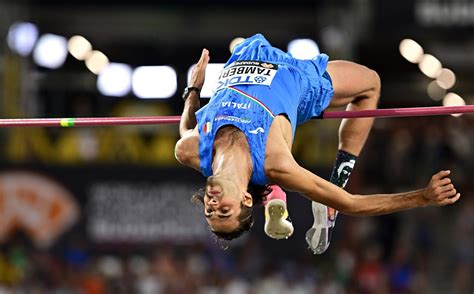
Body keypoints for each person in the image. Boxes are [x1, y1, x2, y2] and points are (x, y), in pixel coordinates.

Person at [174, 34, 460, 252]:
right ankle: (336, 180)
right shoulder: (275, 162)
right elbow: (352, 205)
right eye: (224, 210)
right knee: (370, 83)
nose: (212, 205)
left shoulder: (191, 151)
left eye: (209, 211)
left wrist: (193, 89)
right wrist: (422, 197)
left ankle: (278, 200)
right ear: (245, 199)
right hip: (296, 78)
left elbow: (187, 127)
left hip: (244, 57)